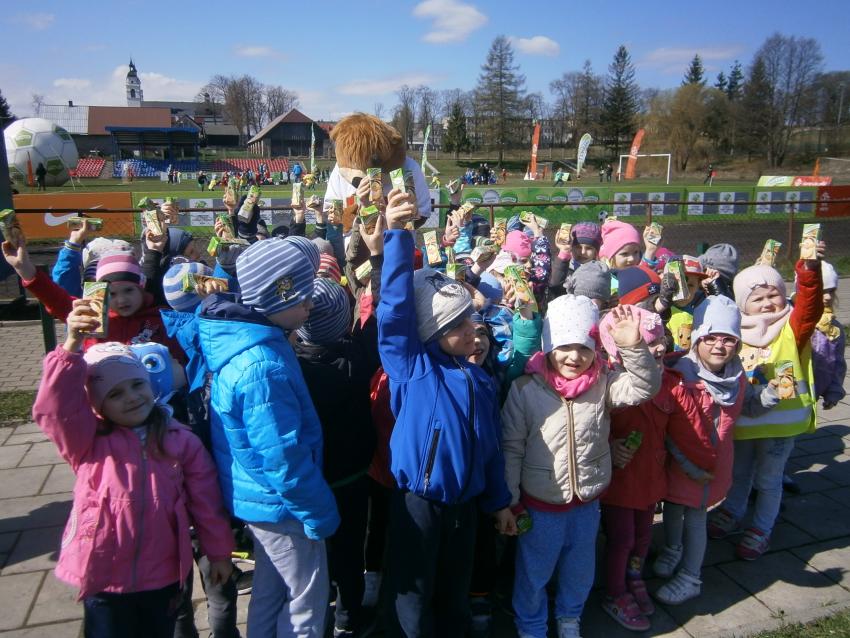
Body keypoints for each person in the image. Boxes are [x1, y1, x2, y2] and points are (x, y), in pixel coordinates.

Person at [378, 188, 516, 637]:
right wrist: (397, 235)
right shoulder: (412, 368)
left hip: (466, 507)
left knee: (455, 592)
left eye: (470, 320)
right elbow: (394, 312)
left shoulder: (480, 379)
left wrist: (499, 503)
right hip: (418, 503)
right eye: (457, 325)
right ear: (431, 331)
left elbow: (490, 449)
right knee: (412, 595)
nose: (472, 330)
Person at [32, 334, 233, 637]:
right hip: (104, 576)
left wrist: (218, 553)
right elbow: (55, 410)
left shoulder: (181, 441)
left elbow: (207, 503)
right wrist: (70, 347)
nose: (131, 397)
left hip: (163, 574)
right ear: (96, 405)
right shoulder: (86, 442)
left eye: (137, 384)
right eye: (115, 394)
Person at [195, 236, 340, 637]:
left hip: (259, 500)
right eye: (302, 297)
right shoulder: (263, 367)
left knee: (270, 591)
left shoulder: (252, 341)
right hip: (284, 506)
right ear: (277, 297)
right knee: (305, 602)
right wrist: (318, 511)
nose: (310, 306)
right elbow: (283, 457)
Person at [501, 299, 661, 638]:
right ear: (549, 347)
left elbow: (645, 386)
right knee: (534, 572)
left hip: (587, 502)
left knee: (579, 569)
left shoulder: (603, 384)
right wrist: (510, 501)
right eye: (564, 347)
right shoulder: (524, 390)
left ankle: (569, 617)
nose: (575, 357)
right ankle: (531, 625)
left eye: (584, 348)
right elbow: (512, 449)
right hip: (540, 505)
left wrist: (632, 346)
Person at [653, 296, 779, 604]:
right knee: (673, 508)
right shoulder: (679, 374)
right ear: (697, 338)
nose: (719, 346)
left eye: (728, 339)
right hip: (679, 461)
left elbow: (747, 407)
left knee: (696, 518)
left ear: (737, 343)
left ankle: (690, 576)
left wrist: (770, 395)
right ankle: (672, 548)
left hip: (711, 466)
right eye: (710, 338)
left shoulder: (737, 376)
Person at [708, 246, 824, 561]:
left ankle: (761, 528)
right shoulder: (735, 328)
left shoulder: (793, 326)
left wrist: (809, 271)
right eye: (757, 298)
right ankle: (733, 511)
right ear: (742, 304)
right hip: (744, 419)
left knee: (769, 480)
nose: (767, 303)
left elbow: (810, 306)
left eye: (773, 295)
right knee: (739, 472)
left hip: (780, 423)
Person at [812, 261, 846, 410]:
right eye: (821, 291)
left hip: (814, 393)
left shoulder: (834, 328)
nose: (827, 297)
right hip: (789, 392)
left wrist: (833, 391)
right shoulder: (792, 321)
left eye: (831, 291)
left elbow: (837, 363)